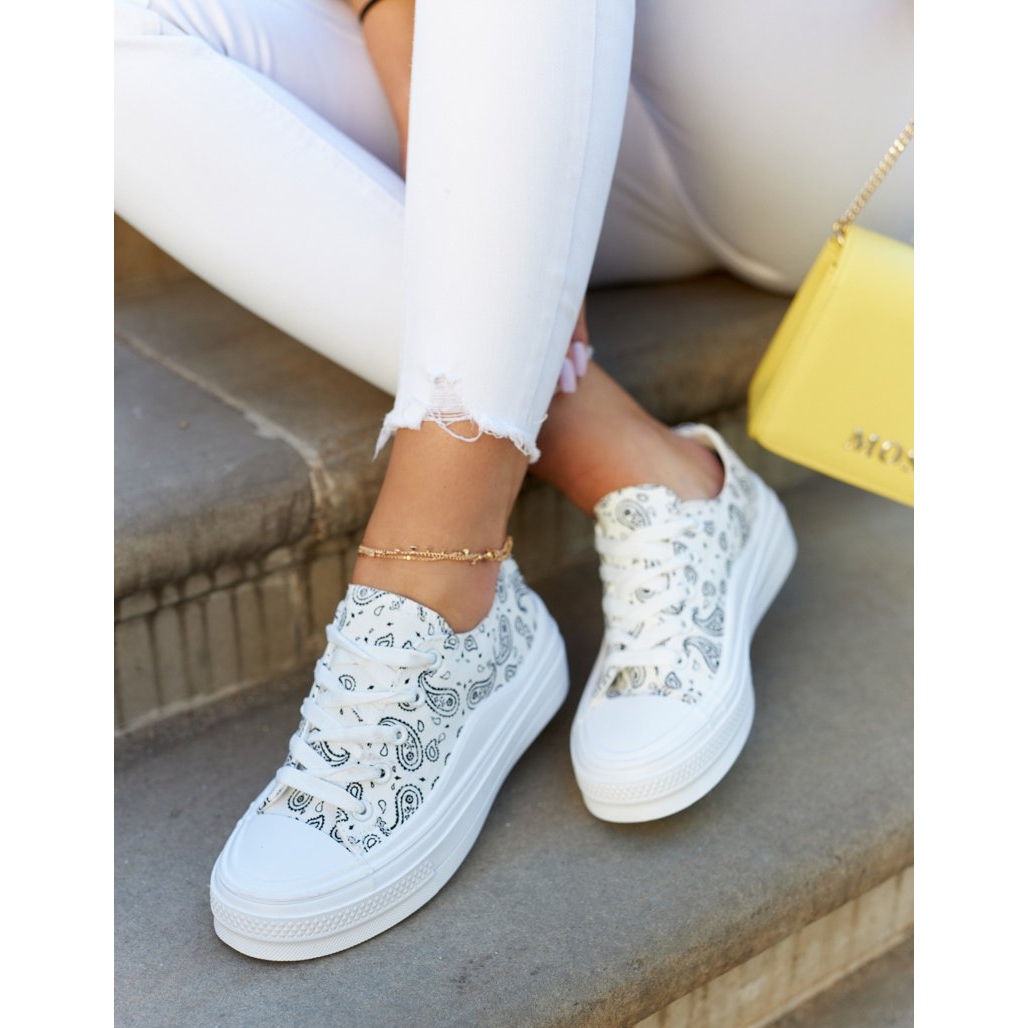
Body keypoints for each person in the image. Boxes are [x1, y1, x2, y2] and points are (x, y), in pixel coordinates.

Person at [114, 0, 913, 961]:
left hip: (835, 110)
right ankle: (645, 469)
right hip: (564, 77)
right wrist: (428, 89)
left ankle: (433, 573)